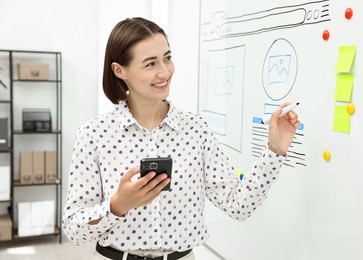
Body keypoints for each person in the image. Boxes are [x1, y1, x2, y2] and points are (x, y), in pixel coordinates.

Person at [62, 17, 300, 260]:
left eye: (167, 58)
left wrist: (275, 150)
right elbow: (73, 228)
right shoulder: (94, 134)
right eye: (150, 64)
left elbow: (238, 206)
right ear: (119, 70)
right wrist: (116, 206)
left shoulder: (197, 130)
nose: (164, 71)